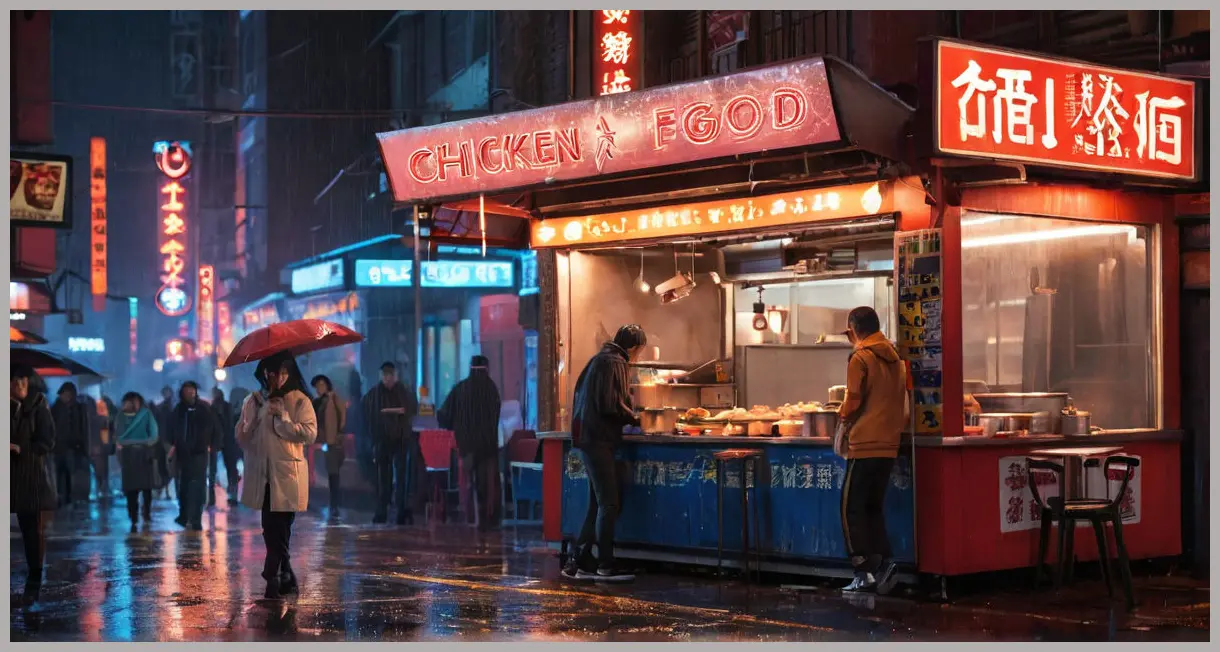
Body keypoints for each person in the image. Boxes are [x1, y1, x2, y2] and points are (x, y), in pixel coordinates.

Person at [562, 324, 646, 583]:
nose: (638, 355)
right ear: (633, 347)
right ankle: (605, 564)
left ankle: (580, 561)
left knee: (598, 503)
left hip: (588, 437)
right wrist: (636, 417)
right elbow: (611, 405)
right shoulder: (617, 362)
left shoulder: (599, 359)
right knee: (609, 502)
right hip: (599, 439)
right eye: (640, 350)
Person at [837, 306, 907, 594]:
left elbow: (853, 398)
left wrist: (842, 418)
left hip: (864, 443)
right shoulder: (897, 359)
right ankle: (884, 565)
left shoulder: (861, 357)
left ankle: (862, 571)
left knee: (850, 508)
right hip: (889, 443)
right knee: (872, 507)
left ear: (854, 329)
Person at [236, 351, 317, 600]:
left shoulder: (299, 400)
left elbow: (309, 433)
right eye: (272, 373)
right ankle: (284, 573)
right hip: (262, 474)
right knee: (269, 527)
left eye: (283, 373)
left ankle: (274, 572)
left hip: (287, 473)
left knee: (282, 525)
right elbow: (241, 437)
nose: (277, 378)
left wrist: (281, 417)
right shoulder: (252, 400)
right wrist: (251, 424)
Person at [437, 355, 502, 530]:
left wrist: (455, 427)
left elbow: (443, 415)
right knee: (485, 484)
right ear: (486, 368)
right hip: (487, 447)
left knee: (467, 482)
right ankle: (484, 519)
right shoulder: (492, 389)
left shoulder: (460, 388)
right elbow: (496, 416)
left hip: (466, 446)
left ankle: (469, 518)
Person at [10, 365, 57, 607]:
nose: (20, 386)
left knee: (31, 529)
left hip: (29, 476)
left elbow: (47, 441)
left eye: (24, 382)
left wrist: (21, 449)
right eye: (15, 381)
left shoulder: (38, 405)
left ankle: (35, 575)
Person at [361, 362, 421, 525]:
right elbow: (366, 415)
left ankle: (400, 510)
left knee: (400, 476)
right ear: (381, 376)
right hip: (382, 440)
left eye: (390, 375)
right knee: (384, 478)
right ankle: (383, 510)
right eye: (385, 375)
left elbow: (411, 409)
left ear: (395, 376)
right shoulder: (375, 394)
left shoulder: (403, 393)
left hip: (400, 440)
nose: (387, 378)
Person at [168, 381, 223, 531]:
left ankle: (196, 518)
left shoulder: (205, 408)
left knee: (197, 486)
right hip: (183, 453)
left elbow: (215, 428)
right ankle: (184, 515)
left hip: (200, 452)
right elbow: (172, 429)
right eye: (187, 391)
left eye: (192, 391)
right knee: (184, 486)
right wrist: (173, 445)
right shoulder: (179, 410)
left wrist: (214, 445)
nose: (190, 394)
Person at [114, 392, 159, 531]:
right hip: (129, 457)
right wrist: (140, 441)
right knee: (131, 490)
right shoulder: (120, 417)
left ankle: (146, 513)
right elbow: (119, 437)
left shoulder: (146, 414)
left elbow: (154, 435)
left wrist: (136, 442)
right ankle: (133, 515)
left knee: (146, 489)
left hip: (144, 456)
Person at [311, 375, 347, 519]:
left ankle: (334, 505)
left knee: (333, 474)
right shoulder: (316, 402)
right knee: (324, 474)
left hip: (333, 442)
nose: (320, 388)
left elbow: (342, 415)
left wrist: (339, 433)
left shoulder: (333, 398)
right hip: (320, 442)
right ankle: (328, 504)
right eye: (317, 385)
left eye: (322, 384)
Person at [51, 382, 90, 506]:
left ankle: (68, 496)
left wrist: (83, 445)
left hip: (72, 447)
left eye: (69, 394)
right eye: (65, 394)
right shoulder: (55, 408)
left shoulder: (78, 408)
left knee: (70, 472)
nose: (67, 397)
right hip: (58, 446)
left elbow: (83, 428)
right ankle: (60, 495)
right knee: (59, 472)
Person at [209, 387, 235, 508]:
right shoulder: (215, 407)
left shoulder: (216, 407)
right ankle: (228, 495)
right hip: (222, 441)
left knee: (223, 469)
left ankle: (216, 497)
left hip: (223, 441)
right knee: (226, 469)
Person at [218, 387, 244, 506]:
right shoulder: (228, 409)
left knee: (233, 471)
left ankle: (235, 494)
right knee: (232, 471)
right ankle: (234, 494)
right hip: (232, 445)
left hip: (237, 445)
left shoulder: (231, 409)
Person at [88, 395, 114, 501]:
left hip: (96, 449)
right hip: (99, 449)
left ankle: (102, 489)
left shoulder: (99, 420)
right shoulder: (102, 420)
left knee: (99, 471)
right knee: (101, 471)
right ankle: (102, 489)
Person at [152, 386, 175, 500]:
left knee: (167, 466)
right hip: (164, 440)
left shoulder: (165, 407)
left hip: (167, 440)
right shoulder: (165, 408)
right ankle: (164, 489)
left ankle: (163, 488)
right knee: (164, 466)